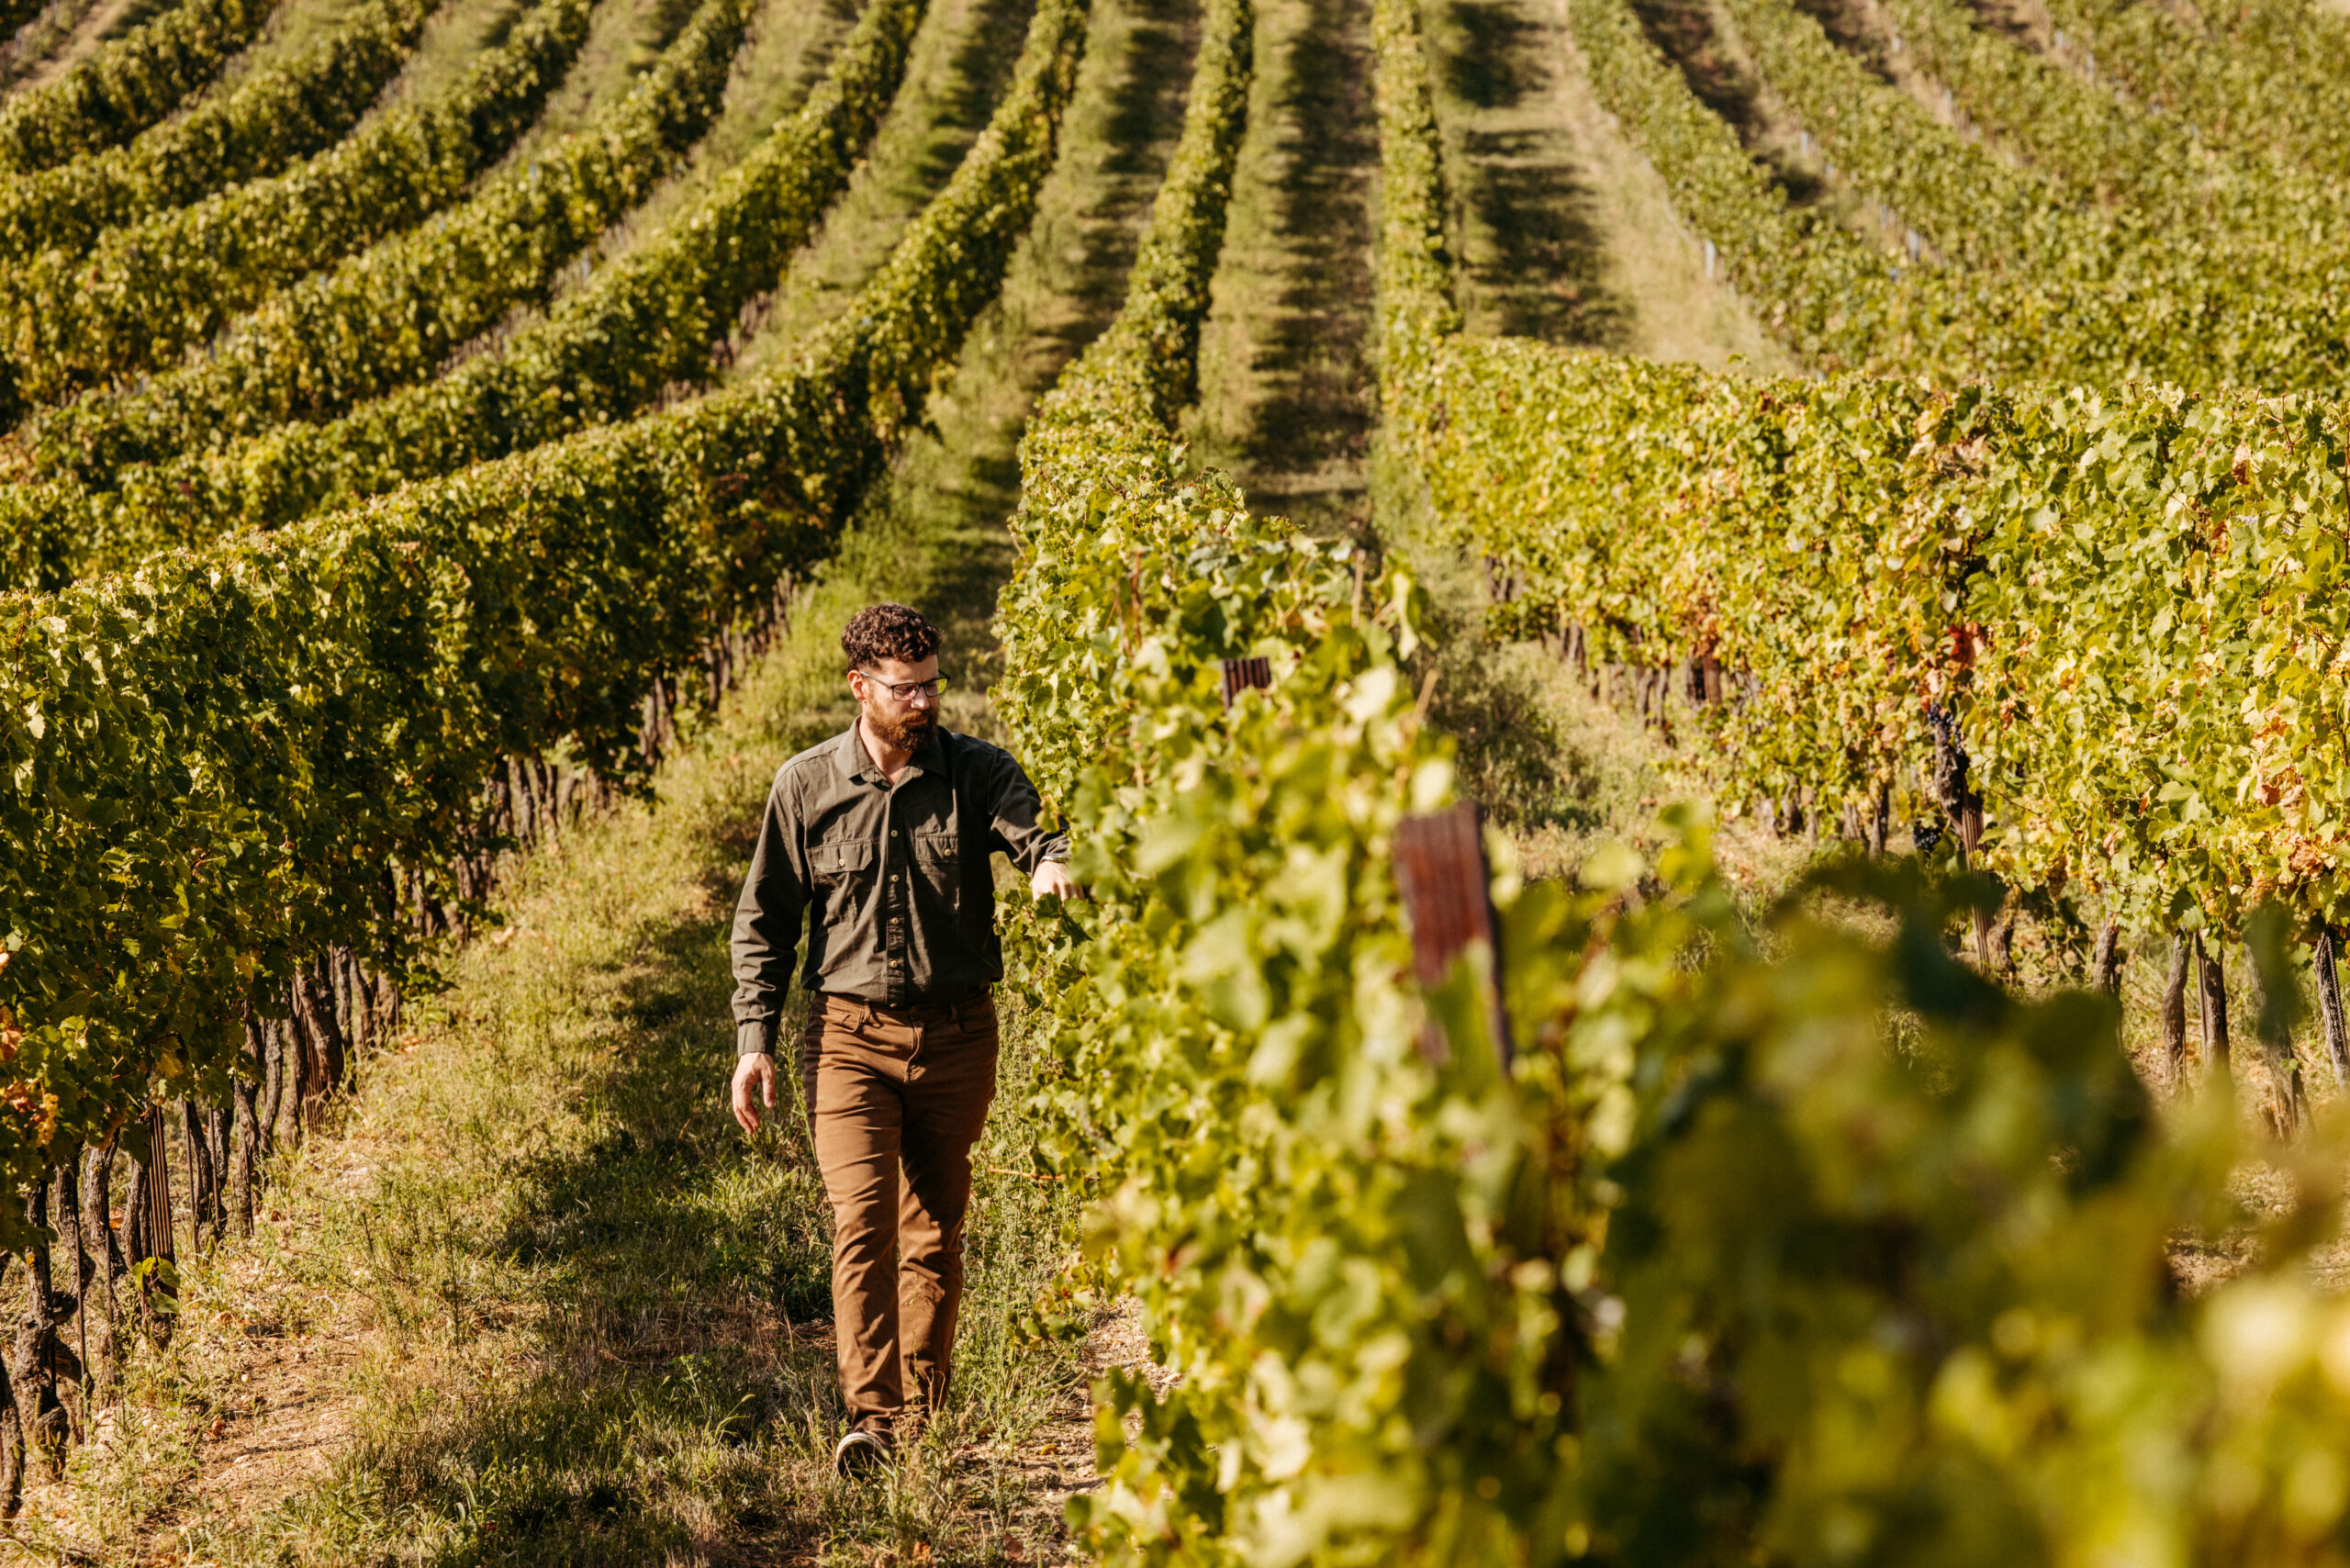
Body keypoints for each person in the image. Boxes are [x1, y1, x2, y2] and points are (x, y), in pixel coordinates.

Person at [728, 601, 1077, 1477]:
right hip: (848, 1037)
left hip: (958, 1035)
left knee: (935, 1230)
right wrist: (754, 1038)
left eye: (931, 686)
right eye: (905, 690)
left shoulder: (975, 770)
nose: (923, 703)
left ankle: (923, 1412)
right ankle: (873, 1421)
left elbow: (1027, 820)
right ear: (861, 687)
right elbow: (764, 922)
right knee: (863, 1221)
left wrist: (1048, 861)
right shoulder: (805, 786)